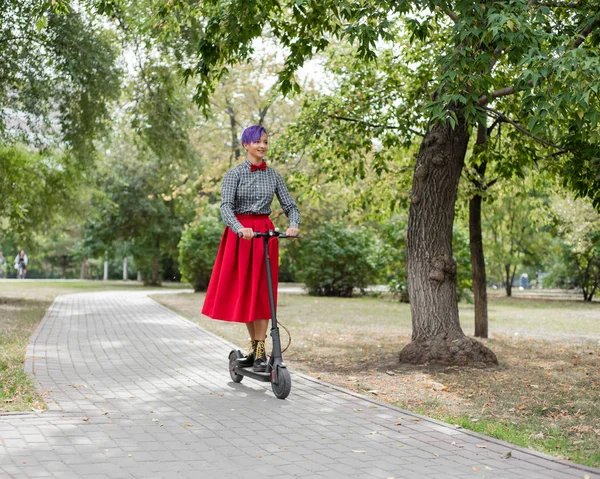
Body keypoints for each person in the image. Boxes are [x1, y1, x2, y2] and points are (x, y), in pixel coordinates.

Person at [202, 125, 300, 372]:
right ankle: (257, 349)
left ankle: (259, 351)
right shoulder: (234, 174)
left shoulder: (274, 176)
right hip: (242, 236)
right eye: (258, 142)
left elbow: (290, 206)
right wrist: (238, 228)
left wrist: (293, 225)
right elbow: (225, 207)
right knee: (246, 292)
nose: (263, 146)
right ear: (246, 145)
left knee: (263, 292)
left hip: (264, 235)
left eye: (266, 142)